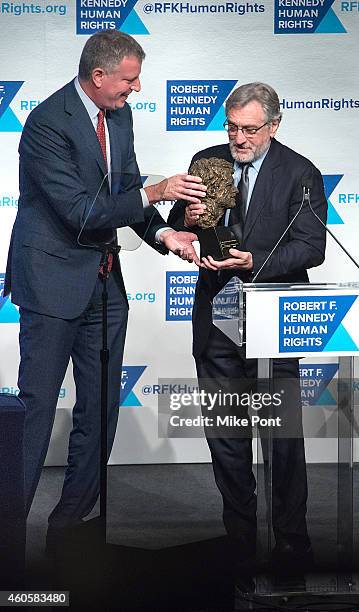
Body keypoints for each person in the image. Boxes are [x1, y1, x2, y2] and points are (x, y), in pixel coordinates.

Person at [4, 30, 206, 543]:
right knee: (36, 409)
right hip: (51, 283)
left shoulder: (120, 116)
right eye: (129, 80)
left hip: (104, 285)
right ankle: (6, 535)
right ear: (99, 76)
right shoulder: (47, 123)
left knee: (100, 409)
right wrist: (155, 191)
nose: (136, 89)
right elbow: (81, 210)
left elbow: (125, 190)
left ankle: (70, 529)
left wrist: (164, 231)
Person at [168, 82, 327, 576]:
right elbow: (180, 222)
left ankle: (292, 542)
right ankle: (239, 539)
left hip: (275, 318)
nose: (238, 137)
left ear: (273, 127)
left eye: (249, 129)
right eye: (232, 126)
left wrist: (256, 260)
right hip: (215, 317)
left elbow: (311, 247)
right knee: (226, 437)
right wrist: (186, 217)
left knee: (281, 439)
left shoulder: (299, 172)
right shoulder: (207, 159)